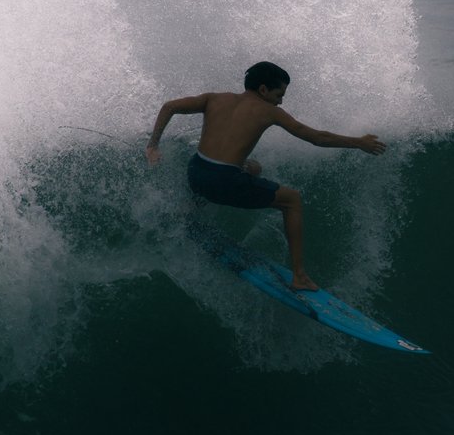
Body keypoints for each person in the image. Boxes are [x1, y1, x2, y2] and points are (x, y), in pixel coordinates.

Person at [146, 61, 385, 292]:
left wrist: (153, 146)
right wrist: (358, 143)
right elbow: (316, 138)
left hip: (196, 172)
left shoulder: (214, 98)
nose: (281, 101)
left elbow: (169, 106)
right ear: (263, 89)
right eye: (279, 94)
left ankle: (187, 212)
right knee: (291, 200)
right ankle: (300, 276)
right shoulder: (270, 112)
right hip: (223, 181)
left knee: (253, 168)